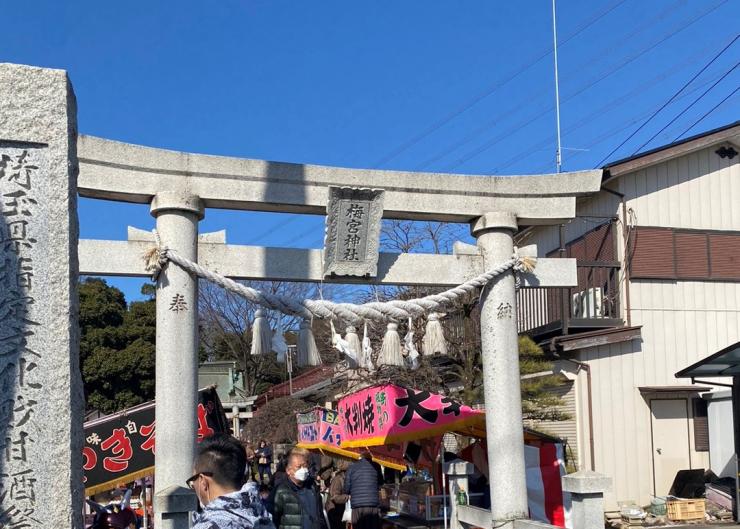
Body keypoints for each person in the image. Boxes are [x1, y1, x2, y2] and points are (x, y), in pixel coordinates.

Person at [189, 433, 273, 529]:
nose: (193, 487)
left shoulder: (209, 525)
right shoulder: (262, 515)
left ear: (203, 481)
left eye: (192, 482)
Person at [270, 449, 328, 529]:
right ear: (288, 470)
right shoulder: (280, 491)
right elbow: (272, 518)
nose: (303, 470)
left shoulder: (312, 487)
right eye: (299, 467)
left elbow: (319, 514)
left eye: (305, 466)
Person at [343, 452, 383, 529]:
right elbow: (381, 482)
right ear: (370, 457)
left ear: (360, 456)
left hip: (357, 506)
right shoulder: (376, 465)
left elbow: (346, 489)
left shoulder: (352, 467)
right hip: (372, 505)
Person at [325, 459, 349, 529]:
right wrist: (348, 497)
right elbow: (334, 497)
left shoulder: (346, 479)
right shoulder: (338, 479)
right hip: (334, 513)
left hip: (341, 512)